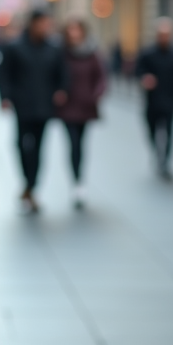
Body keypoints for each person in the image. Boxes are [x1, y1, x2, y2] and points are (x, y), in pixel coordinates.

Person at [0, 9, 67, 214]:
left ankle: (31, 186)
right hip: (22, 105)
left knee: (38, 148)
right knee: (20, 144)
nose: (46, 28)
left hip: (44, 106)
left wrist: (61, 91)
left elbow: (62, 74)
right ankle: (27, 182)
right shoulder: (15, 47)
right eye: (43, 23)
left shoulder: (54, 48)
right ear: (33, 23)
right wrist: (5, 97)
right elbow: (4, 74)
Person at [57, 17, 106, 209]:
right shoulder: (61, 53)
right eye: (71, 30)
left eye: (77, 30)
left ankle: (80, 180)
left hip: (86, 105)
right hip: (68, 106)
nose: (74, 34)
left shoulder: (92, 53)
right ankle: (76, 181)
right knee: (73, 143)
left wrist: (97, 94)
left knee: (82, 144)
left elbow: (101, 77)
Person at [136, 17, 173, 178]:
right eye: (161, 34)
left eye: (167, 34)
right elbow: (138, 71)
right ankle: (156, 152)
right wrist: (145, 79)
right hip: (152, 101)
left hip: (171, 100)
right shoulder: (148, 53)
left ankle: (165, 161)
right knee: (152, 131)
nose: (164, 37)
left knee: (170, 133)